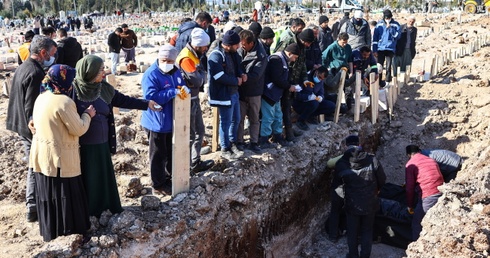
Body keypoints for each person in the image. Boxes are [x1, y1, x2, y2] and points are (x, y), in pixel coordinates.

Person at [72, 55, 160, 217]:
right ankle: (91, 212)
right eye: (100, 70)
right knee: (89, 178)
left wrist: (146, 104)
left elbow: (123, 100)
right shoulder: (73, 92)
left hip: (103, 144)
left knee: (103, 177)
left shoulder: (103, 88)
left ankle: (107, 206)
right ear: (89, 71)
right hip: (84, 147)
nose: (104, 72)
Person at [30, 65, 95, 241]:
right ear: (64, 80)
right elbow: (79, 129)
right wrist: (88, 114)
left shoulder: (41, 98)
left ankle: (51, 233)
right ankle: (70, 235)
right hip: (61, 160)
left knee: (49, 197)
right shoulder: (64, 102)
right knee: (66, 197)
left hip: (43, 158)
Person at [6, 35, 57, 222]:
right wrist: (36, 127)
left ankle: (34, 204)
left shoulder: (23, 66)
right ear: (43, 53)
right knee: (35, 165)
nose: (53, 57)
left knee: (34, 164)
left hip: (18, 123)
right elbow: (31, 107)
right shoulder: (36, 73)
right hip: (29, 128)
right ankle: (33, 207)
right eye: (52, 54)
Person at [141, 45, 189, 195]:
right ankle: (158, 184)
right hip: (157, 122)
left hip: (172, 120)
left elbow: (180, 84)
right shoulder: (151, 74)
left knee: (169, 152)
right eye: (164, 60)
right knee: (157, 154)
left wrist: (183, 89)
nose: (167, 62)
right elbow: (150, 97)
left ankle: (168, 178)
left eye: (170, 60)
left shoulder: (175, 72)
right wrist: (171, 92)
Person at [335, 135, 386, 258]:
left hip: (352, 204)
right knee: (367, 230)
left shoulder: (341, 163)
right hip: (370, 202)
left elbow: (337, 186)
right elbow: (382, 179)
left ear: (346, 146)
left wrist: (345, 197)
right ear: (359, 144)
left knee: (352, 232)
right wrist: (376, 190)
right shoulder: (372, 159)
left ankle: (353, 255)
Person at [175, 28, 215, 174]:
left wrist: (200, 76)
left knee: (200, 131)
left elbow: (200, 77)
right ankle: (186, 166)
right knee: (191, 134)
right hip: (187, 100)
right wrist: (201, 77)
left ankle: (194, 161)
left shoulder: (193, 54)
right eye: (204, 47)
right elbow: (197, 79)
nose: (206, 50)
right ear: (197, 45)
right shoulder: (186, 58)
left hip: (193, 98)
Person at [207, 30, 245, 160]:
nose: (238, 47)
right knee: (226, 122)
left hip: (234, 93)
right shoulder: (216, 56)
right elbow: (218, 76)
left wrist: (241, 74)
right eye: (236, 45)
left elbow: (237, 66)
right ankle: (225, 147)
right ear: (229, 44)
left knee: (236, 119)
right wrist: (236, 80)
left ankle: (232, 143)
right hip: (224, 95)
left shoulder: (232, 53)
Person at [260, 43, 299, 148]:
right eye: (294, 57)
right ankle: (263, 140)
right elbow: (276, 78)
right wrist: (289, 86)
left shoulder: (283, 60)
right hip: (269, 93)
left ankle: (278, 137)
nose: (294, 60)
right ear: (290, 53)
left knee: (278, 116)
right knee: (268, 118)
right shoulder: (276, 60)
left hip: (276, 94)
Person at [236, 29, 268, 153]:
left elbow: (256, 75)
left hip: (254, 91)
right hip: (241, 91)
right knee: (239, 118)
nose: (242, 46)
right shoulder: (239, 51)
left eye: (244, 44)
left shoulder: (261, 55)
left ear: (251, 43)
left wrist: (244, 77)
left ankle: (253, 142)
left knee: (254, 118)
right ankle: (239, 141)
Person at [405, 144, 444, 241]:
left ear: (408, 155)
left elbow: (409, 188)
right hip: (442, 191)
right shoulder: (430, 159)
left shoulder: (410, 164)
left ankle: (416, 248)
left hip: (429, 194)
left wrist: (409, 205)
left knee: (416, 222)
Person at [372, 9, 401, 86]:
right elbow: (375, 38)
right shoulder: (379, 24)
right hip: (380, 48)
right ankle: (379, 82)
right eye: (386, 18)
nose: (387, 19)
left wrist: (390, 28)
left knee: (388, 66)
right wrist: (374, 50)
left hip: (390, 48)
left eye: (389, 18)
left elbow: (397, 36)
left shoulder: (396, 25)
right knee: (379, 66)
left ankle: (388, 81)